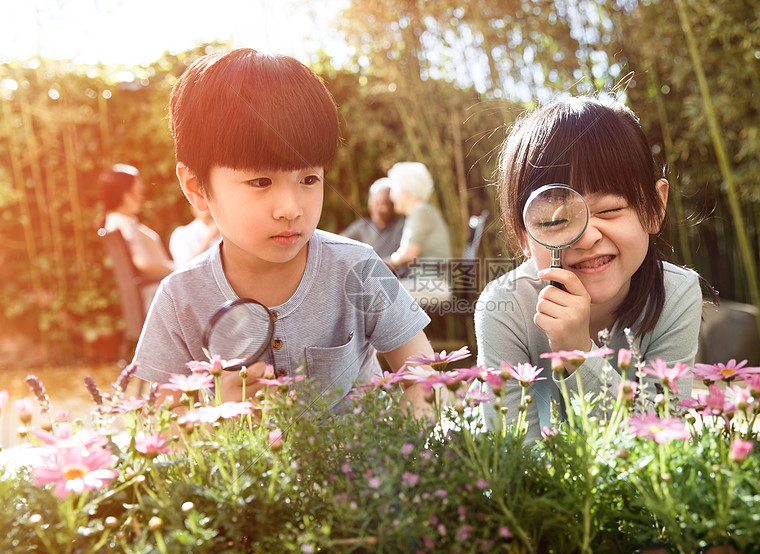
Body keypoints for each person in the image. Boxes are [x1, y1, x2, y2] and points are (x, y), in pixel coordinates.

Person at [131, 48, 435, 416]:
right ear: (196, 187)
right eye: (260, 181)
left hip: (365, 470)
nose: (291, 208)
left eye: (309, 178)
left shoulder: (359, 267)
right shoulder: (180, 299)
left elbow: (421, 372)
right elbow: (162, 428)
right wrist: (218, 413)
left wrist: (407, 457)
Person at [475, 96, 704, 443]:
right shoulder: (505, 307)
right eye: (558, 219)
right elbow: (515, 458)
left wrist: (579, 353)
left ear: (656, 207)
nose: (586, 237)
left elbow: (662, 448)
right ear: (523, 234)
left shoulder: (677, 293)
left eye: (610, 210)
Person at [99, 163, 175, 309]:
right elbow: (143, 262)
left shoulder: (114, 221)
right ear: (126, 195)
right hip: (159, 296)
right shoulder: (124, 222)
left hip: (155, 294)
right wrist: (176, 270)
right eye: (138, 191)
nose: (142, 196)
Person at [383, 162, 453, 307]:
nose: (392, 196)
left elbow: (408, 254)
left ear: (405, 191)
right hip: (427, 281)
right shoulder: (422, 212)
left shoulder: (421, 213)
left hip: (434, 283)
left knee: (381, 294)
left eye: (394, 190)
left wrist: (380, 263)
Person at [340, 177, 404, 259]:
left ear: (393, 205)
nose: (377, 208)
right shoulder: (361, 226)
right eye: (374, 202)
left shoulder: (401, 228)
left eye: (383, 204)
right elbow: (339, 243)